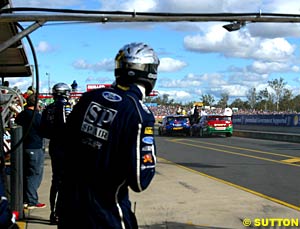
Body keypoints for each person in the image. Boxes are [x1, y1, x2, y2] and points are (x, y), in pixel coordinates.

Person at [58, 42, 159, 229]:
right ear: (151, 73)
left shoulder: (88, 97)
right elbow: (140, 180)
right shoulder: (139, 113)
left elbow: (64, 144)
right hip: (106, 214)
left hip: (69, 206)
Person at [40, 83, 72, 225]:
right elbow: (71, 126)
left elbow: (43, 130)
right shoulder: (66, 106)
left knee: (56, 180)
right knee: (66, 180)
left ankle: (54, 213)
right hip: (67, 146)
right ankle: (62, 212)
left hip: (54, 146)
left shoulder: (48, 108)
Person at [15, 94, 46, 209]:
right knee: (34, 174)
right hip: (35, 147)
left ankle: (25, 199)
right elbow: (44, 130)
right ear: (36, 103)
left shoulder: (22, 115)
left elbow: (16, 122)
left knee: (25, 173)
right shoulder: (36, 116)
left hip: (23, 147)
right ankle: (32, 200)